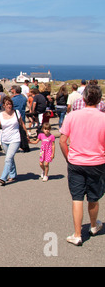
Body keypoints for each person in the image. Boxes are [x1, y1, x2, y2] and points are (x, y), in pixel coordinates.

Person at [59, 85, 105, 246]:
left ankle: (77, 234)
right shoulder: (103, 117)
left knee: (77, 197)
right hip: (97, 162)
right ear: (99, 100)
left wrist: (68, 157)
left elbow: (62, 140)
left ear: (83, 98)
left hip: (76, 161)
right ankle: (93, 226)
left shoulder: (72, 116)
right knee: (94, 197)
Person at [0, 96, 28, 186]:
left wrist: (26, 134)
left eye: (10, 104)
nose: (9, 106)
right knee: (10, 158)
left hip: (15, 139)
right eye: (7, 104)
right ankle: (13, 174)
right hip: (4, 139)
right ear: (4, 105)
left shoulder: (16, 112)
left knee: (8, 158)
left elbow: (22, 123)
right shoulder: (0, 115)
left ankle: (3, 178)